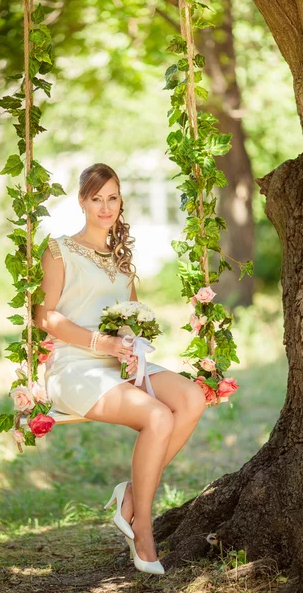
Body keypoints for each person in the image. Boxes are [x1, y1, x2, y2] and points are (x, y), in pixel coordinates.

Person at [34, 163, 206, 575]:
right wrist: (102, 342)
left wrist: (129, 343)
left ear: (120, 201)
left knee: (192, 397)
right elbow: (45, 317)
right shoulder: (59, 250)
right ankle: (141, 525)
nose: (105, 207)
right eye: (96, 198)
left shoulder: (122, 257)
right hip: (74, 365)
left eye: (112, 197)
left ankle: (130, 497)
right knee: (157, 416)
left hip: (117, 361)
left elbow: (124, 316)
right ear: (82, 201)